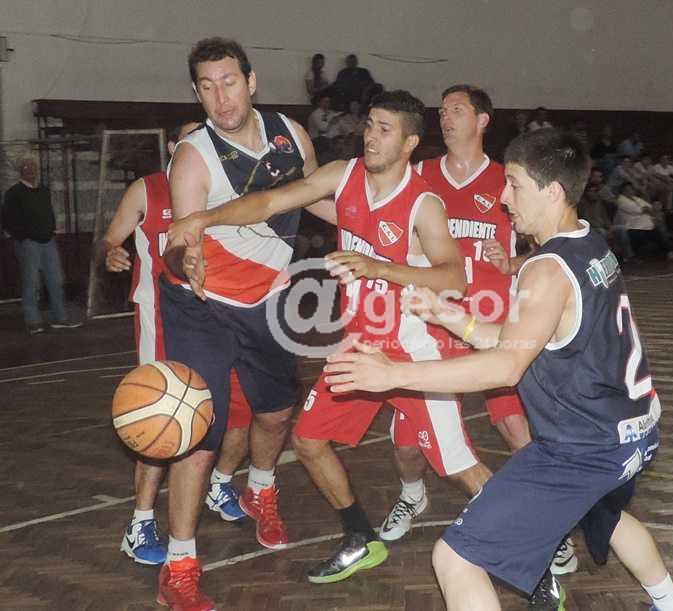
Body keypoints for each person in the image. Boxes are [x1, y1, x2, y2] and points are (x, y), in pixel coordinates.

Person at [323, 129, 673, 611]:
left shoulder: (545, 269)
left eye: (514, 185)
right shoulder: (590, 243)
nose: (503, 197)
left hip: (582, 449)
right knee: (605, 515)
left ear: (552, 191)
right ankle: (672, 605)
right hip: (634, 432)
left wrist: (393, 374)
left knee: (456, 559)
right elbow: (523, 339)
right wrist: (452, 317)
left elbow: (505, 366)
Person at [170, 89, 492, 585]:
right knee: (309, 439)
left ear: (409, 143)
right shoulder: (343, 174)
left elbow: (455, 278)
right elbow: (272, 200)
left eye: (384, 129)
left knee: (459, 466)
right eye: (369, 124)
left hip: (412, 353)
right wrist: (206, 217)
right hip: (359, 346)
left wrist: (380, 267)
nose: (370, 136)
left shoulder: (423, 203)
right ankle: (360, 537)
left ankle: (536, 550)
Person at [158, 37, 324, 610]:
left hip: (268, 298)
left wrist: (374, 228)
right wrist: (186, 260)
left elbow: (317, 194)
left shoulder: (290, 135)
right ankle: (180, 564)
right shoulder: (193, 156)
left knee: (276, 412)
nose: (220, 97)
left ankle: (261, 489)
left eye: (229, 82)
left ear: (251, 82)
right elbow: (180, 239)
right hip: (201, 304)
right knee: (200, 432)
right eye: (207, 87)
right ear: (197, 92)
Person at [95, 123, 252, 566]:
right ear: (172, 147)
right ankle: (140, 523)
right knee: (162, 417)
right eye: (189, 140)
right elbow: (107, 239)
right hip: (162, 320)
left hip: (219, 319)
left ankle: (220, 483)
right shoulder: (146, 190)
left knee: (236, 412)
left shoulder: (228, 189)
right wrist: (109, 253)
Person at [382, 84, 533, 544]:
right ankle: (412, 494)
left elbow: (550, 248)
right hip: (433, 324)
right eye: (443, 111)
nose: (446, 118)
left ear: (482, 120)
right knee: (407, 440)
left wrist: (513, 263)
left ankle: (544, 516)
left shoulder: (508, 180)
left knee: (515, 428)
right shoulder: (419, 174)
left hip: (492, 325)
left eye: (457, 110)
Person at [1, 156, 82, 334]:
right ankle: (33, 321)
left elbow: (49, 213)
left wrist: (51, 229)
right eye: (26, 167)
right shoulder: (14, 193)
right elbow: (7, 219)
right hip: (29, 243)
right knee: (32, 282)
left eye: (33, 166)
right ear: (21, 171)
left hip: (48, 241)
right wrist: (23, 237)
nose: (31, 169)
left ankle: (59, 318)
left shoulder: (43, 191)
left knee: (56, 280)